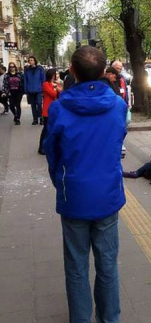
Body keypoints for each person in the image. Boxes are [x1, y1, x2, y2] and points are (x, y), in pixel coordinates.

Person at [43, 46, 127, 323]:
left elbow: (52, 154)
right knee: (107, 265)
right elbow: (117, 142)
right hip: (108, 196)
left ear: (73, 71)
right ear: (104, 72)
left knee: (76, 266)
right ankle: (109, 319)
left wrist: (62, 183)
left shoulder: (58, 108)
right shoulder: (117, 106)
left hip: (74, 196)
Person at [39, 68, 62, 155]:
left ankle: (51, 146)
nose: (56, 75)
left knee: (54, 129)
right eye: (55, 74)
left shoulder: (56, 84)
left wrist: (57, 87)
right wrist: (55, 88)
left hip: (55, 109)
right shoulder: (46, 84)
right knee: (46, 129)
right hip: (47, 109)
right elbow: (53, 94)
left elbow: (62, 92)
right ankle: (41, 147)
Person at [24, 55, 46, 125]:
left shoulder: (40, 69)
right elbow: (25, 80)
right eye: (29, 60)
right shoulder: (27, 70)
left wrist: (43, 89)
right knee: (33, 105)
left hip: (39, 89)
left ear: (35, 61)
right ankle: (35, 119)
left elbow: (43, 79)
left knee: (39, 104)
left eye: (32, 60)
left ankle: (41, 118)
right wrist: (26, 89)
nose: (30, 61)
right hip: (30, 90)